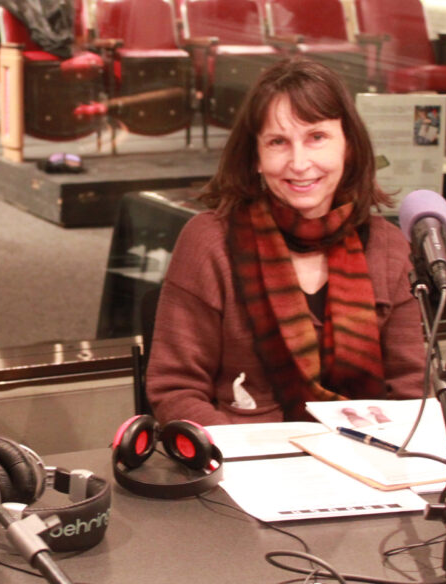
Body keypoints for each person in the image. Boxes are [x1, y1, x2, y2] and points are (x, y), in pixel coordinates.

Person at [146, 57, 424, 426]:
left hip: (366, 462)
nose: (299, 162)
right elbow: (175, 390)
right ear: (256, 157)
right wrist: (246, 459)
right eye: (278, 142)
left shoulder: (388, 247)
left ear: (349, 147)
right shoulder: (209, 242)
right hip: (245, 465)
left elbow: (411, 392)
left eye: (317, 138)